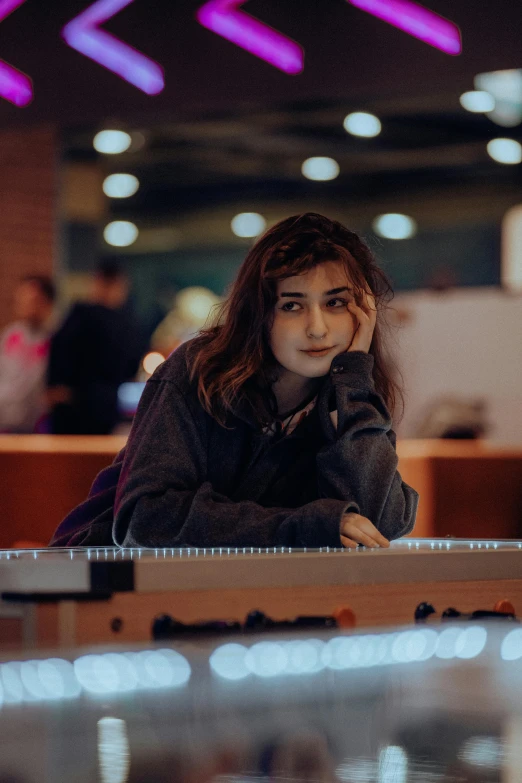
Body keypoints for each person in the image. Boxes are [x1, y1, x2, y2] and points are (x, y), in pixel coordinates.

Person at [50, 213, 418, 548]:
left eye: (336, 303)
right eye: (292, 305)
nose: (317, 329)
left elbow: (378, 523)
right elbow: (146, 518)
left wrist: (354, 382)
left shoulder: (347, 393)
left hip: (229, 599)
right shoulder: (197, 372)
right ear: (259, 313)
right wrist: (300, 528)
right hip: (97, 588)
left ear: (364, 312)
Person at [47, 260, 142, 435]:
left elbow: (58, 355)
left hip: (71, 405)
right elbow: (132, 366)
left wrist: (55, 386)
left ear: (96, 281)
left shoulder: (79, 315)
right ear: (118, 284)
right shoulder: (126, 324)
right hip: (104, 407)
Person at [0, 275, 56, 433]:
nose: (23, 303)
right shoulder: (10, 335)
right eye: (21, 298)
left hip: (36, 427)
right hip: (4, 423)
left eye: (30, 299)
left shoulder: (55, 338)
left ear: (45, 302)